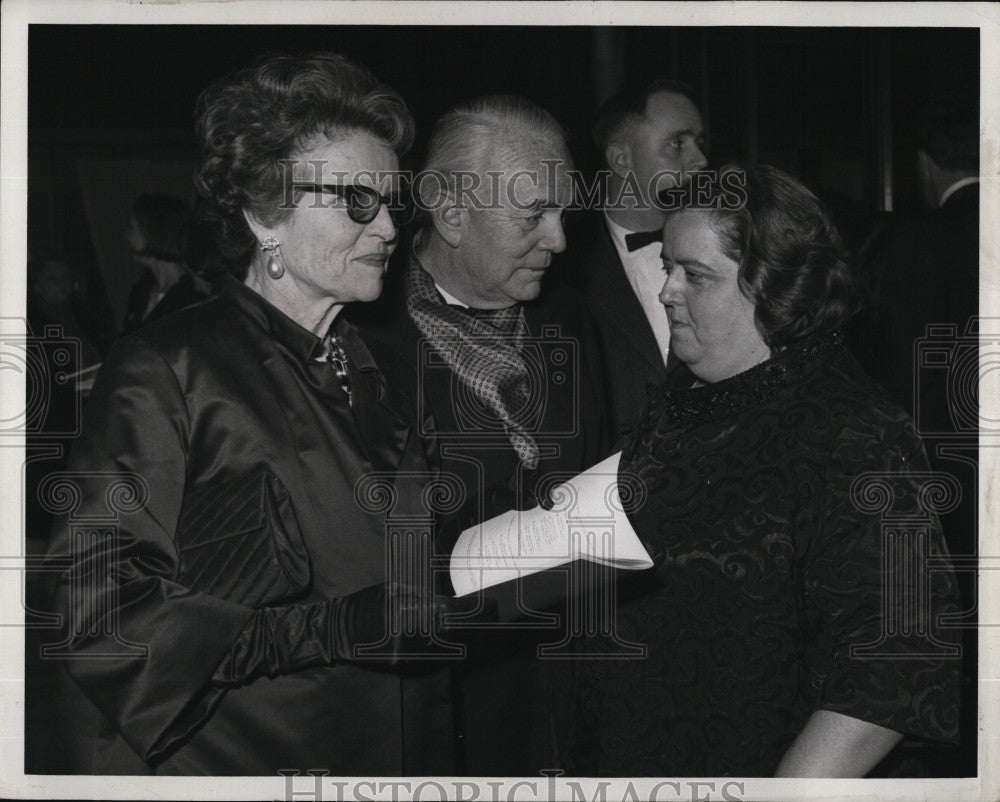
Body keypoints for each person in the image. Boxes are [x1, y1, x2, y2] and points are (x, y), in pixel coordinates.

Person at [44, 52, 480, 776]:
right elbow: (103, 615)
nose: (390, 229)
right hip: (250, 759)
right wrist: (333, 629)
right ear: (262, 213)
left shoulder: (380, 363)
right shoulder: (167, 368)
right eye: (356, 201)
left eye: (392, 202)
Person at [558, 164, 962, 777]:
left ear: (775, 287)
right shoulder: (683, 396)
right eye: (668, 266)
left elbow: (895, 665)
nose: (667, 290)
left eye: (694, 275)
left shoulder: (855, 433)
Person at [358, 94, 609, 775]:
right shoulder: (361, 342)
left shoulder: (567, 316)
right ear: (450, 211)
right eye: (533, 215)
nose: (559, 240)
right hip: (445, 718)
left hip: (573, 699)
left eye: (563, 213)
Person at [558, 79, 707, 440]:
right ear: (622, 160)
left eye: (698, 143)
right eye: (677, 143)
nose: (700, 160)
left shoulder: (728, 249)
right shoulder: (561, 268)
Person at [121, 193, 209, 332]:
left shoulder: (194, 297)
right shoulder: (140, 292)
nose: (127, 237)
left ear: (154, 230)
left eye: (132, 227)